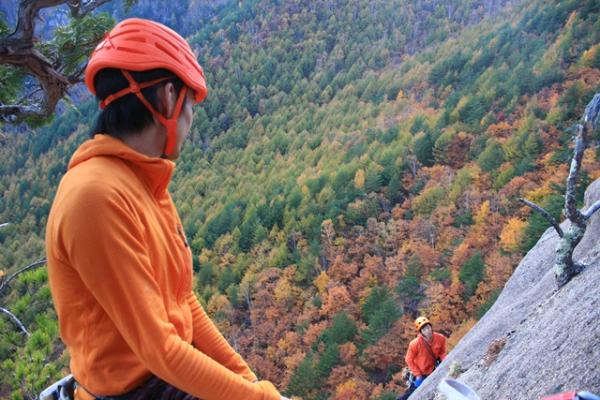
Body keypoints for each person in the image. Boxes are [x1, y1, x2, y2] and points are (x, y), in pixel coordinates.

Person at [45, 18, 289, 400]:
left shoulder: (144, 182)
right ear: (169, 98)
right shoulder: (95, 197)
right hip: (133, 390)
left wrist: (249, 381)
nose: (190, 121)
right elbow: (159, 349)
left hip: (161, 376)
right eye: (191, 106)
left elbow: (182, 300)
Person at [397, 316, 447, 400]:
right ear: (421, 332)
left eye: (428, 327)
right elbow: (408, 360)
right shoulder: (415, 344)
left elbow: (442, 352)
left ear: (431, 327)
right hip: (422, 373)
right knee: (411, 393)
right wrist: (418, 375)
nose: (427, 331)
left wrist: (445, 362)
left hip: (433, 368)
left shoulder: (440, 338)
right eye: (424, 330)